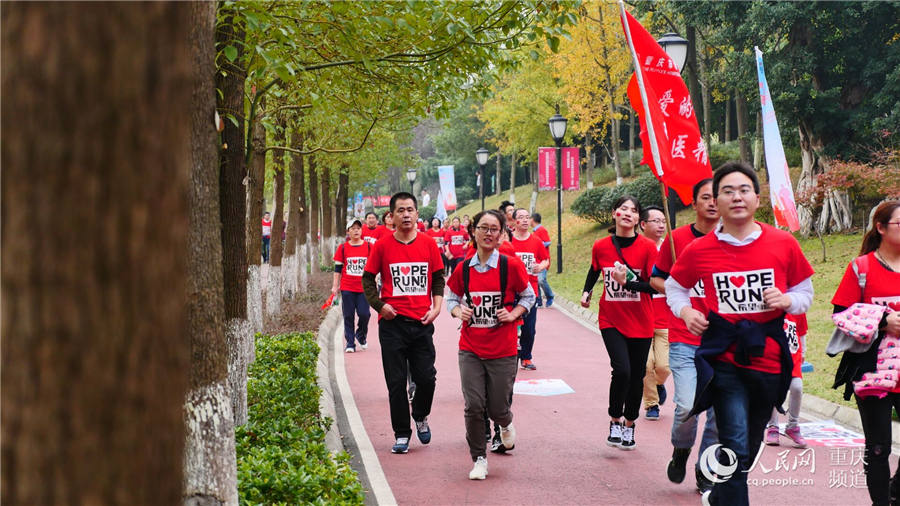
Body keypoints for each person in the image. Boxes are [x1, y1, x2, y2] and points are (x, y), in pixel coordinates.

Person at [665, 162, 814, 506]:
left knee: (747, 446)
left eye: (744, 190)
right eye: (727, 191)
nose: (736, 197)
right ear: (715, 200)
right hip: (725, 358)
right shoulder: (700, 250)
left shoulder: (783, 243)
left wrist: (787, 299)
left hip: (769, 358)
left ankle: (720, 495)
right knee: (733, 441)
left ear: (757, 199)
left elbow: (805, 293)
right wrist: (687, 312)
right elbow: (675, 287)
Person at [446, 209, 535, 480]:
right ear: (473, 232)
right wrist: (456, 312)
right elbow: (451, 297)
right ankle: (479, 459)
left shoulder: (511, 266)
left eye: (494, 229)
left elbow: (528, 297)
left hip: (503, 349)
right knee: (474, 405)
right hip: (471, 347)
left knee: (497, 408)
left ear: (501, 235)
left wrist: (514, 314)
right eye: (483, 227)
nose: (488, 233)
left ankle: (506, 424)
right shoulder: (463, 268)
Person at [649, 178, 720, 493]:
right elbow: (656, 279)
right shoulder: (677, 240)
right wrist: (681, 292)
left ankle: (707, 468)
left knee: (720, 414)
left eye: (718, 196)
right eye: (706, 197)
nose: (713, 202)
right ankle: (681, 450)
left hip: (724, 342)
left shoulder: (734, 240)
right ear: (695, 203)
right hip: (685, 338)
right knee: (687, 406)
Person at [361, 192, 445, 454]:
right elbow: (367, 279)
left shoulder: (429, 244)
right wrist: (380, 306)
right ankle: (401, 433)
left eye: (410, 210)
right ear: (392, 216)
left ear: (417, 214)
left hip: (421, 323)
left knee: (427, 378)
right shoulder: (383, 246)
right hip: (392, 324)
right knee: (395, 382)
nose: (406, 215)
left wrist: (437, 308)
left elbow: (438, 277)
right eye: (401, 210)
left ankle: (420, 414)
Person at [831, 200, 900, 506]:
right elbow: (841, 312)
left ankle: (894, 492)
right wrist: (884, 321)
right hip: (873, 372)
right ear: (881, 228)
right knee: (879, 448)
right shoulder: (861, 267)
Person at [580, 195, 658, 450]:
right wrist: (586, 291)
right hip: (611, 317)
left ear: (639, 219)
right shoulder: (601, 245)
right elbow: (594, 269)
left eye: (634, 211)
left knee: (637, 375)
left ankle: (630, 424)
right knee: (622, 370)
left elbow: (654, 287)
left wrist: (628, 284)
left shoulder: (648, 248)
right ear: (614, 213)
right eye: (623, 209)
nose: (628, 214)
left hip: (641, 320)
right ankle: (615, 419)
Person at [639, 205, 670, 422]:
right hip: (640, 316)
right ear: (643, 224)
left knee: (663, 367)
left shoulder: (671, 249)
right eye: (655, 221)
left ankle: (658, 385)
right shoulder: (636, 249)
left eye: (663, 221)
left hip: (666, 318)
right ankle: (651, 404)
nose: (661, 225)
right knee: (645, 364)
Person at [510, 208, 550, 371]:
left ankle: (526, 357)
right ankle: (509, 355)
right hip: (511, 290)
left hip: (531, 289)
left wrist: (540, 266)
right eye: (521, 217)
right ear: (514, 221)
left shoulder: (536, 241)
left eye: (527, 217)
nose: (525, 220)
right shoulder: (508, 241)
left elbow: (546, 260)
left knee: (529, 327)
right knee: (510, 324)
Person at [765, 313, 808, 447]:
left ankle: (793, 426)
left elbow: (801, 332)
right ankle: (773, 427)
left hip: (792, 359)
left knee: (797, 387)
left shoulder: (797, 308)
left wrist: (803, 352)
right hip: (772, 358)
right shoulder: (769, 307)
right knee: (772, 390)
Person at [332, 218, 371, 353]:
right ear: (348, 231)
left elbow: (373, 266)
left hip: (364, 288)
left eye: (358, 228)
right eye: (353, 228)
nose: (356, 231)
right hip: (347, 287)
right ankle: (350, 342)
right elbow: (337, 269)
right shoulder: (343, 248)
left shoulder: (368, 246)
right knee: (348, 315)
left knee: (364, 314)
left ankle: (361, 334)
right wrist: (335, 286)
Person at [531, 212, 555, 308]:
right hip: (535, 260)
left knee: (541, 280)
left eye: (529, 218)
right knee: (536, 280)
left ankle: (550, 296)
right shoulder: (534, 232)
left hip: (543, 260)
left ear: (533, 219)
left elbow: (548, 242)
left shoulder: (541, 229)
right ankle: (539, 300)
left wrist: (538, 244)